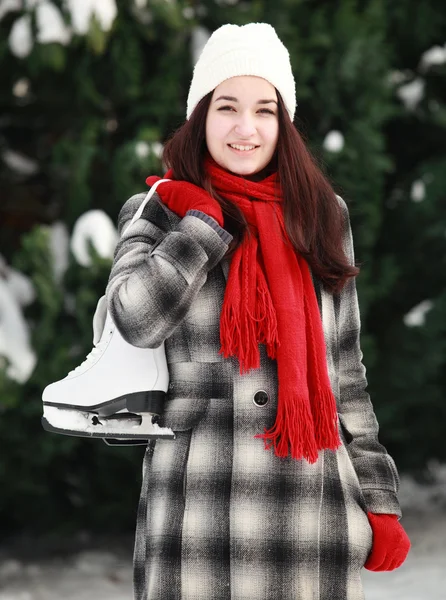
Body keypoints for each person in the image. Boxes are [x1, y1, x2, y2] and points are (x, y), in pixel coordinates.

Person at [106, 22, 410, 600]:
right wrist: (201, 224)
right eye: (227, 107)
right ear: (201, 116)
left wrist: (378, 496)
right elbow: (134, 319)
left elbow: (343, 371)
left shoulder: (323, 217)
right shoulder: (157, 211)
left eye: (264, 110)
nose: (246, 128)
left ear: (283, 123)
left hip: (314, 514)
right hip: (197, 513)